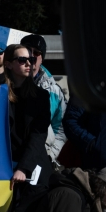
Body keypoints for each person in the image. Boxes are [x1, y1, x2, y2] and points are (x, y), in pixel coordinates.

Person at [0, 44, 53, 212]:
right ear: (8, 64)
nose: (29, 63)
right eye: (22, 60)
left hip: (32, 169)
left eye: (30, 59)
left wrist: (23, 168)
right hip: (1, 168)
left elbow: (38, 137)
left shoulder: (41, 96)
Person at [20, 34, 68, 166]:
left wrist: (51, 154)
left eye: (37, 52)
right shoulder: (7, 86)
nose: (32, 55)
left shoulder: (54, 91)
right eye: (28, 50)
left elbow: (61, 128)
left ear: (42, 58)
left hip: (42, 156)